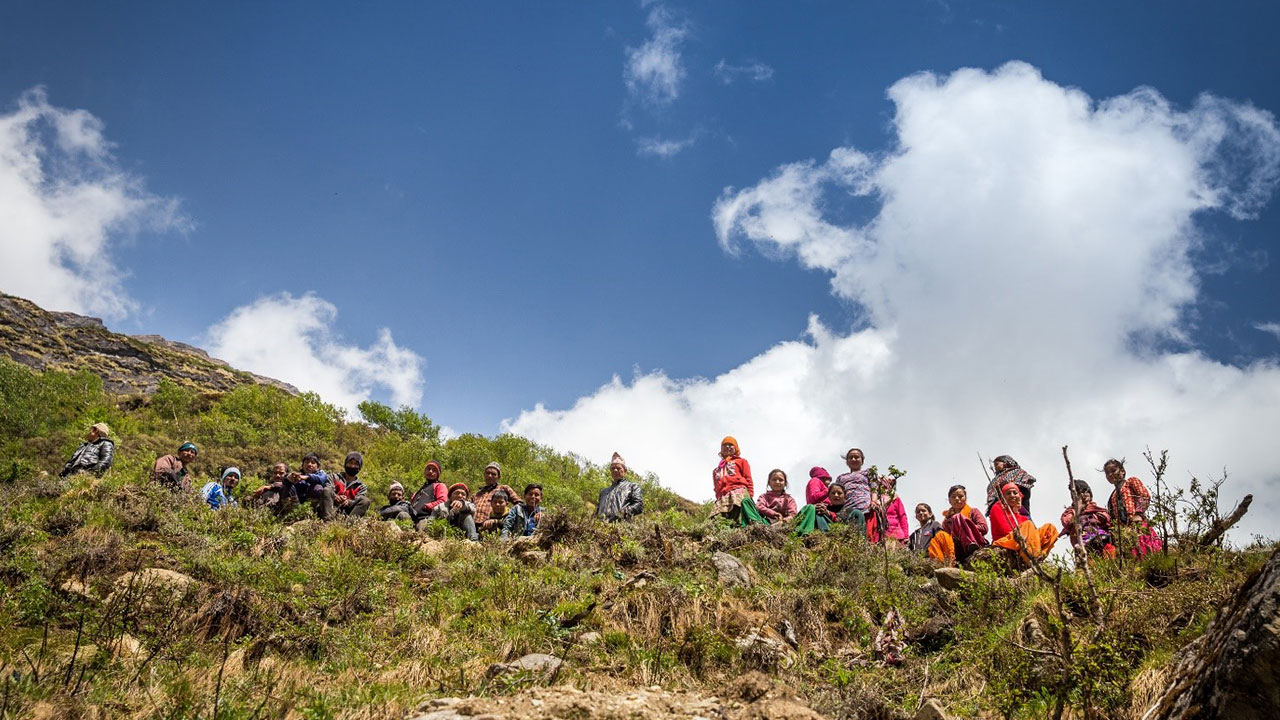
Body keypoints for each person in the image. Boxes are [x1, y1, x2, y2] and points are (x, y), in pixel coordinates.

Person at [990, 483, 1058, 566]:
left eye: (1015, 493)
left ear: (1019, 496)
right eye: (1008, 493)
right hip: (1004, 540)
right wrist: (1014, 515)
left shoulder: (1023, 517)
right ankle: (1032, 559)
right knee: (1028, 525)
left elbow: (1031, 535)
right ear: (1003, 497)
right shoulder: (997, 507)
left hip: (1020, 540)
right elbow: (1005, 530)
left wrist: (1016, 513)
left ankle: (1040, 555)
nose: (1012, 495)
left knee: (1050, 528)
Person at [1103, 458, 1161, 556]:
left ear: (1122, 471)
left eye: (1113, 471)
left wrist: (1138, 514)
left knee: (1146, 550)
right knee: (1132, 556)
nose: (1110, 475)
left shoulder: (1131, 482)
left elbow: (1144, 496)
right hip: (1124, 531)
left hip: (1136, 523)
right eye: (1107, 473)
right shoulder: (1112, 496)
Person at [927, 485, 990, 566]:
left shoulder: (973, 511)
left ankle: (970, 544)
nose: (957, 499)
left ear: (965, 499)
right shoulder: (947, 521)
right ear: (949, 500)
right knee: (940, 535)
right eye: (953, 497)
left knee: (957, 517)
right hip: (956, 548)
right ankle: (941, 563)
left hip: (975, 543)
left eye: (960, 496)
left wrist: (966, 527)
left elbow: (984, 528)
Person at [1060, 480, 1113, 556]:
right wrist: (1079, 507)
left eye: (1086, 491)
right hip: (1083, 547)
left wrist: (1096, 517)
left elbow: (1108, 520)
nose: (1083, 494)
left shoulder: (1097, 510)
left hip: (1103, 542)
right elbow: (1067, 522)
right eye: (1079, 493)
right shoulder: (1070, 512)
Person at [712, 437, 753, 521]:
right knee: (720, 521)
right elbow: (716, 487)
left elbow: (748, 479)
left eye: (731, 445)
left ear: (736, 448)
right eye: (725, 445)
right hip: (722, 498)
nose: (727, 447)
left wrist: (750, 496)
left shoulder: (741, 461)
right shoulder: (716, 470)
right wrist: (719, 497)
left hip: (738, 493)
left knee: (739, 518)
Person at [597, 452, 643, 521]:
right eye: (613, 468)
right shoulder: (603, 492)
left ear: (625, 471)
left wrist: (621, 513)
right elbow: (597, 511)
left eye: (618, 468)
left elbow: (639, 505)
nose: (615, 470)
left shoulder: (632, 487)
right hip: (601, 529)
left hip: (622, 528)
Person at [865, 472, 909, 545]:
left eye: (883, 485)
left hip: (895, 534)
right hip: (877, 537)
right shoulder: (872, 501)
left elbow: (902, 516)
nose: (881, 487)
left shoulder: (894, 498)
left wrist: (906, 535)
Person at [473, 462, 519, 529]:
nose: (490, 476)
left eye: (493, 474)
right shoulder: (477, 493)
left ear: (498, 477)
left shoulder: (504, 488)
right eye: (488, 473)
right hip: (474, 525)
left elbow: (519, 504)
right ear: (484, 475)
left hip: (493, 524)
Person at [289, 452, 335, 520]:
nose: (309, 464)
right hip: (300, 505)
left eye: (313, 463)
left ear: (318, 466)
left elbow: (321, 479)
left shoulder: (322, 474)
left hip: (318, 506)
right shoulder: (298, 474)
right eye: (307, 462)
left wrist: (306, 477)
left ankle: (326, 518)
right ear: (302, 465)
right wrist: (290, 479)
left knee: (318, 487)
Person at [834, 448, 873, 516]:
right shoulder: (841, 477)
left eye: (856, 457)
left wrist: (874, 501)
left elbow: (874, 488)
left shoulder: (868, 472)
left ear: (862, 461)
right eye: (850, 457)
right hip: (847, 508)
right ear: (847, 462)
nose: (853, 459)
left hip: (865, 506)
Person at [409, 461, 449, 529]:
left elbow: (443, 501)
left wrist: (427, 506)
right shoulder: (420, 489)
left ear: (438, 474)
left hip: (426, 518)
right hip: (411, 519)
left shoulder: (439, 486)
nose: (430, 471)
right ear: (425, 472)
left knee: (422, 527)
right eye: (428, 469)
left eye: (434, 470)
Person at [332, 452, 371, 518]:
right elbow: (328, 490)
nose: (352, 466)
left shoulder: (361, 486)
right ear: (345, 464)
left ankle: (349, 524)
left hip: (348, 512)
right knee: (326, 490)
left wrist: (349, 502)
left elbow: (358, 499)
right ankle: (327, 520)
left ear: (359, 467)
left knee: (365, 501)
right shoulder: (334, 477)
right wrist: (336, 497)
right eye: (350, 463)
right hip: (331, 508)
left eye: (356, 464)